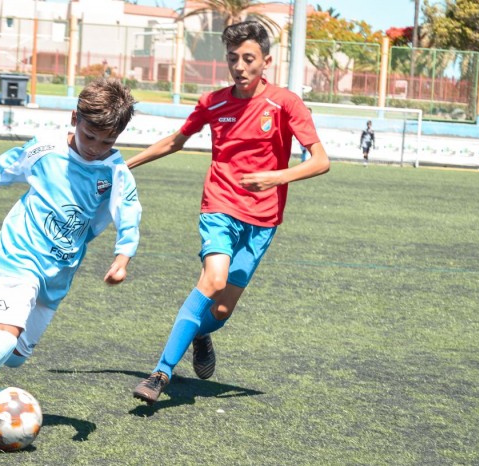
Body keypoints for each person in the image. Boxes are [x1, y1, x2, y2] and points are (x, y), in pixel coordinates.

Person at [0, 78, 141, 464]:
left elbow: (129, 216)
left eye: (107, 142)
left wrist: (122, 258)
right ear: (74, 118)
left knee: (14, 356)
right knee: (1, 341)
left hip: (57, 274)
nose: (96, 148)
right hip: (18, 256)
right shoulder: (45, 149)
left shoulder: (114, 171)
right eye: (90, 136)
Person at [126, 21, 330, 405]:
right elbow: (175, 140)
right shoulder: (213, 103)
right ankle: (160, 373)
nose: (240, 66)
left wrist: (276, 177)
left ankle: (199, 333)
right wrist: (125, 165)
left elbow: (320, 161)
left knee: (221, 309)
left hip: (263, 220)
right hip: (219, 205)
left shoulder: (285, 103)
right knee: (213, 278)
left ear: (266, 61)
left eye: (248, 58)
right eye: (233, 58)